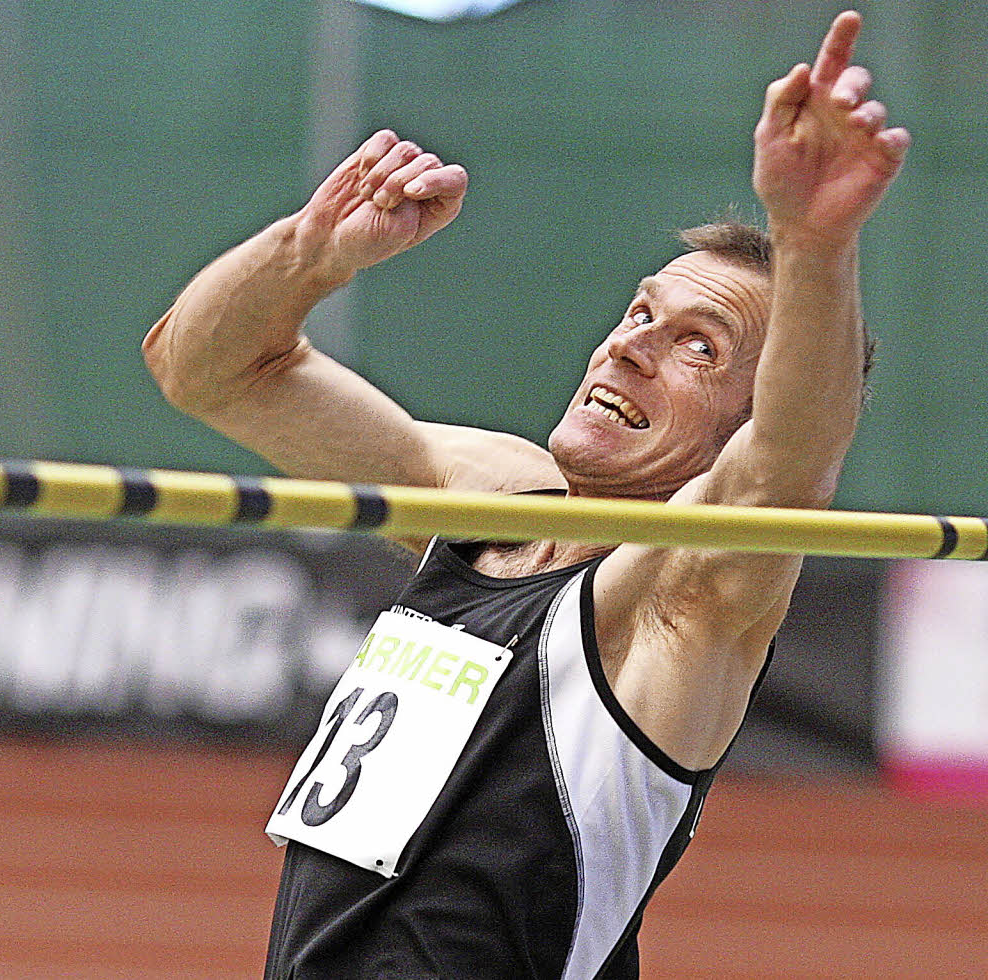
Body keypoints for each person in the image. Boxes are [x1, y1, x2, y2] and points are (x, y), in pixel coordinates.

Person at [143, 11, 908, 979]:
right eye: (641, 311)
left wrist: (815, 241)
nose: (630, 345)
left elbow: (791, 459)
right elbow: (206, 369)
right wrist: (310, 252)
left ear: (739, 430)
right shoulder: (488, 499)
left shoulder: (676, 598)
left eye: (697, 346)